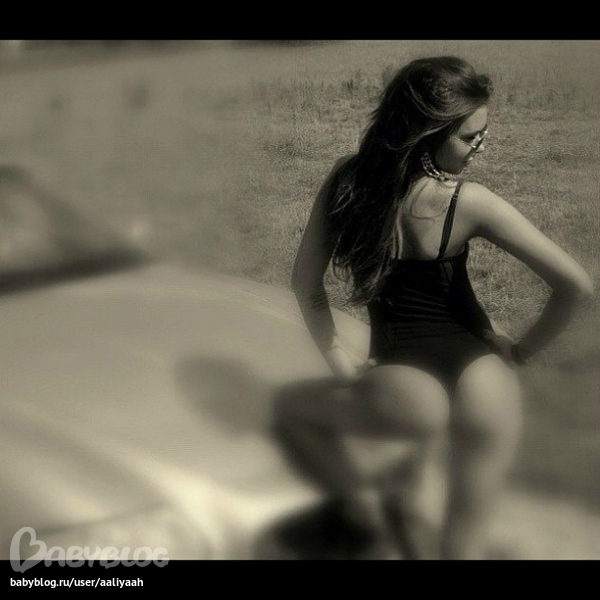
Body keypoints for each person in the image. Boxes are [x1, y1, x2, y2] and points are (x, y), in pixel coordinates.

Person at [274, 56, 594, 560]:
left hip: (405, 387)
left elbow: (305, 284)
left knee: (288, 409)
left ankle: (363, 511)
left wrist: (341, 363)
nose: (481, 145)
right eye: (470, 137)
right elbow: (575, 286)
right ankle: (390, 513)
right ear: (428, 133)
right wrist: (523, 352)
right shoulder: (470, 201)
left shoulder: (348, 182)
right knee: (461, 548)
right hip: (485, 381)